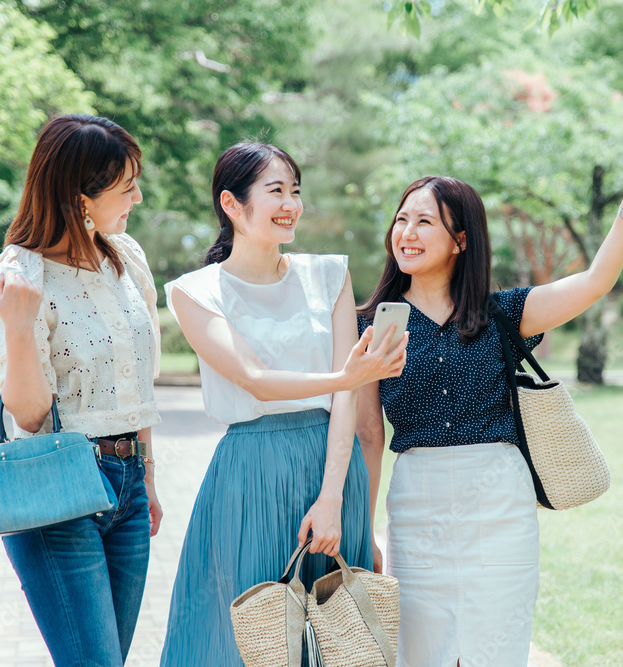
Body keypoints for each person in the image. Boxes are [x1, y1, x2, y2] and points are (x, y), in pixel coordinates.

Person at [356, 130, 623, 667]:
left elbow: (596, 281)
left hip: (499, 501)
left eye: (425, 221)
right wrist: (364, 529)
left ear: (461, 240)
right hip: (416, 505)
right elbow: (369, 433)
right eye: (401, 219)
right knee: (420, 654)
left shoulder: (501, 312)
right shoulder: (373, 324)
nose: (406, 233)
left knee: (495, 650)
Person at [158, 141, 407, 666]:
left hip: (331, 469)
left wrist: (334, 498)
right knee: (253, 637)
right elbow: (255, 379)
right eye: (276, 191)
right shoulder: (195, 291)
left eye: (295, 190)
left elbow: (345, 398)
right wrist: (348, 374)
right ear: (232, 204)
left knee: (342, 636)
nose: (291, 203)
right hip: (250, 472)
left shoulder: (329, 275)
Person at [0, 114, 163, 666]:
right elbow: (31, 415)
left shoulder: (125, 257)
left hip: (126, 486)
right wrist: (17, 326)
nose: (139, 197)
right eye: (127, 188)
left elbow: (138, 385)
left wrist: (147, 478)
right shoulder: (13, 278)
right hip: (59, 488)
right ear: (81, 196)